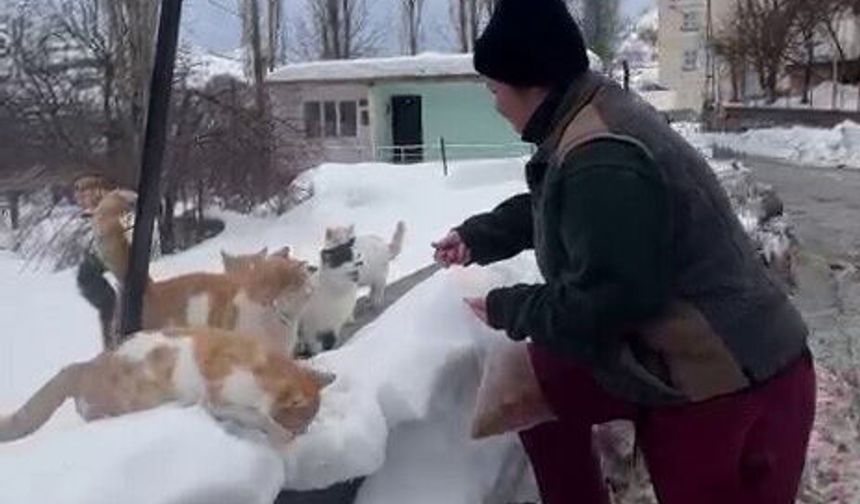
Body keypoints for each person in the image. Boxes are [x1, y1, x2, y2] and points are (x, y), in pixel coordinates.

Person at [432, 1, 816, 502]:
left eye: (494, 88)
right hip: (719, 361)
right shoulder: (586, 118)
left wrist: (512, 307)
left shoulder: (600, 155)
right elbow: (566, 207)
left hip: (732, 385)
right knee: (534, 380)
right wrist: (480, 236)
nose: (496, 103)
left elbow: (607, 301)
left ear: (531, 81)